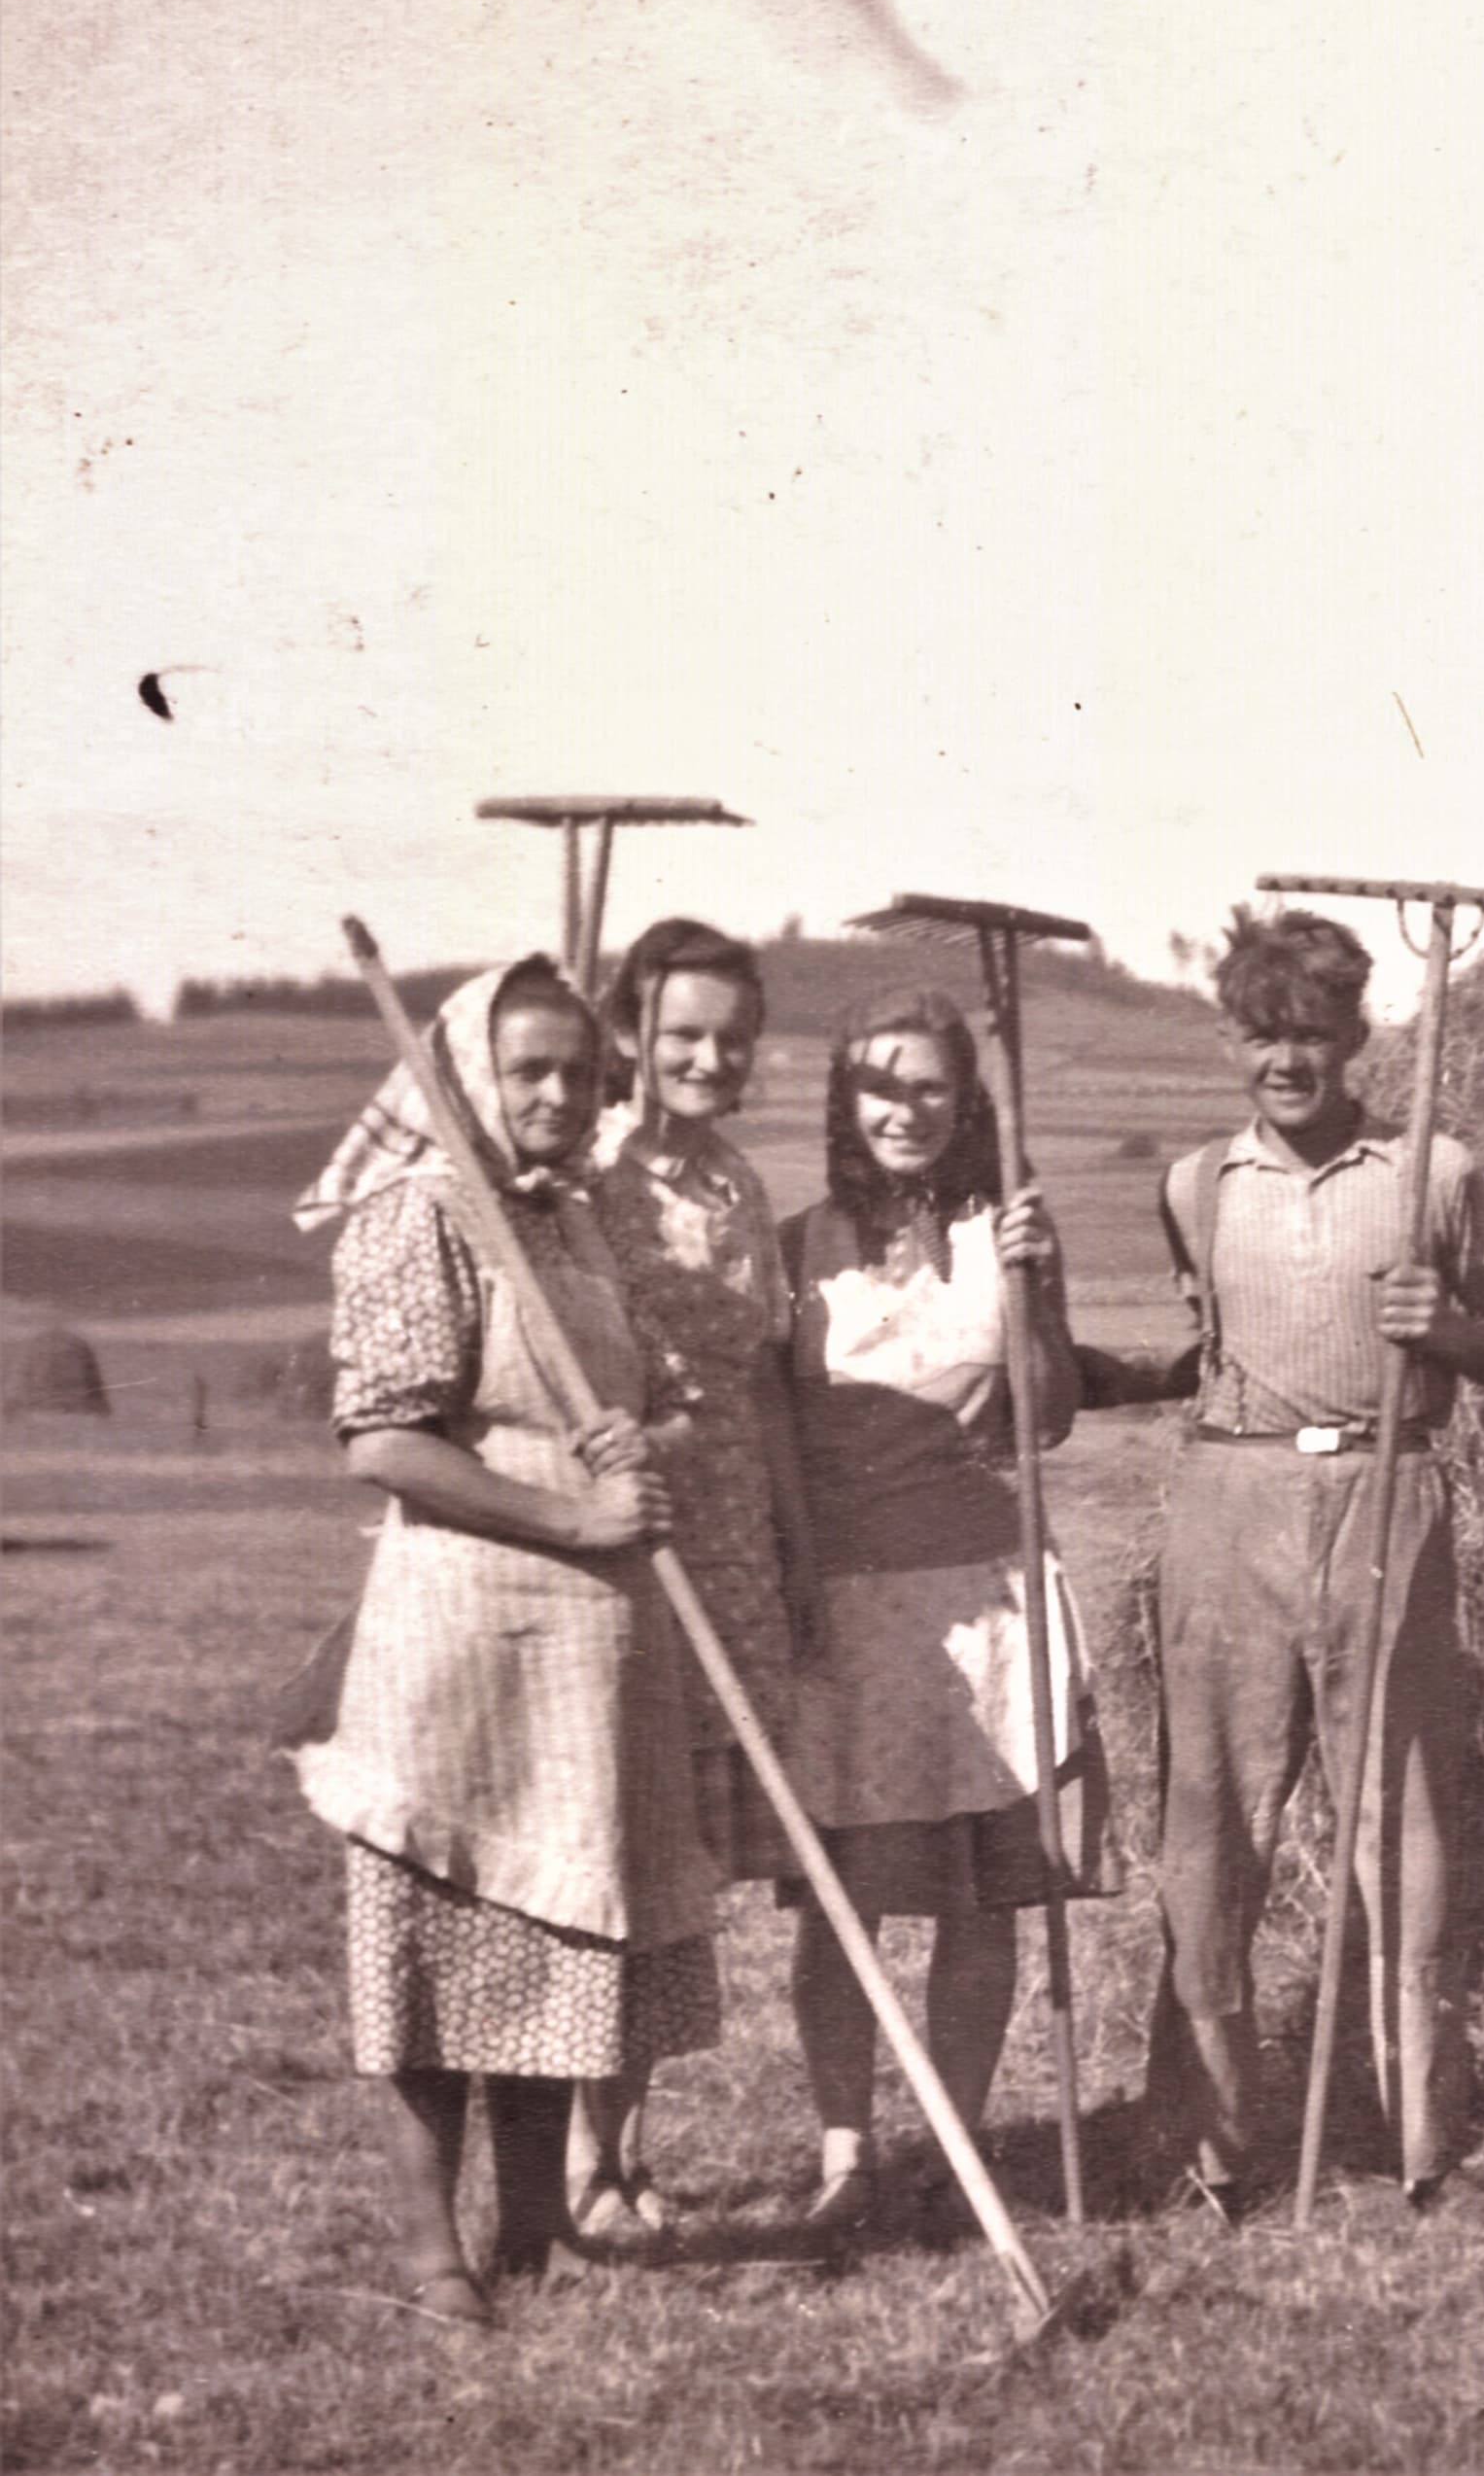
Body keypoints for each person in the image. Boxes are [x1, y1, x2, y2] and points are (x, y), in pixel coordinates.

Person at [291, 961, 721, 2327]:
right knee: (434, 1956)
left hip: (589, 1653)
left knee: (554, 1944)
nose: (554, 1095)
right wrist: (574, 1510)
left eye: (578, 1074)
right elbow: (388, 1442)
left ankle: (536, 2239)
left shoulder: (577, 1220)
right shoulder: (414, 1215)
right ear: (472, 1074)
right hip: (464, 1634)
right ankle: (438, 2258)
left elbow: (685, 1398)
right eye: (527, 1069)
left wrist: (648, 1447)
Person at [1136, 907, 1484, 2214]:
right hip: (1230, 1493)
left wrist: (1450, 1323)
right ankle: (1213, 2139)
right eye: (1260, 1033)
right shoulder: (1198, 1183)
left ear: (1357, 1035)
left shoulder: (1436, 1168)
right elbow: (1201, 1340)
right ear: (1232, 1037)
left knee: (1400, 1815)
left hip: (1386, 1483)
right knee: (1212, 1820)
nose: (1284, 1059)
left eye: (1310, 1033)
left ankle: (1421, 2135)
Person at [777, 987, 1096, 2230]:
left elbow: (1050, 1413)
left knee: (983, 1896)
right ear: (845, 1101)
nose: (904, 1109)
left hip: (988, 1593)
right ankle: (847, 2152)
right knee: (846, 1901)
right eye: (880, 1084)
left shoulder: (1006, 1228)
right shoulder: (800, 1243)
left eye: (930, 1087)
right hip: (852, 1610)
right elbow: (778, 1435)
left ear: (967, 1103)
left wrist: (1031, 1283)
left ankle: (957, 2152)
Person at [560, 918, 815, 2244]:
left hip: (728, 1551)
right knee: (613, 1850)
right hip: (620, 1536)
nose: (710, 1057)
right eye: (682, 1037)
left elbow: (764, 1387)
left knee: (679, 1875)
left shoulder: (735, 1187)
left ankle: (626, 2149)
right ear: (628, 1038)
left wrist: (794, 1553)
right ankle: (576, 2168)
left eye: (731, 1038)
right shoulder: (585, 1173)